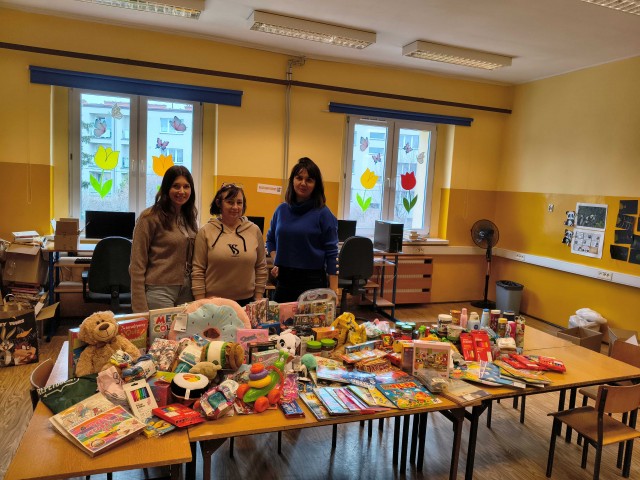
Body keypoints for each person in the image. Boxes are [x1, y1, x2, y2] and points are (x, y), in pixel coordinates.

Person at [266, 157, 339, 303]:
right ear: (292, 180)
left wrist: (334, 290)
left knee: (311, 319)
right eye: (299, 178)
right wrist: (277, 260)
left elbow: (332, 254)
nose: (303, 183)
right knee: (281, 318)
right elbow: (270, 240)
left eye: (309, 180)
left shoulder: (323, 213)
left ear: (316, 185)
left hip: (312, 282)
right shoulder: (281, 210)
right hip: (284, 281)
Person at [129, 165, 198, 312]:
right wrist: (140, 307)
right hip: (159, 290)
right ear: (167, 188)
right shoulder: (149, 217)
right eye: (176, 186)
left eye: (186, 186)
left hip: (187, 290)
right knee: (161, 329)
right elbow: (137, 265)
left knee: (184, 328)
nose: (181, 191)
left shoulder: (189, 218)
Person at [191, 184, 267, 306]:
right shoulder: (205, 232)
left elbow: (261, 267)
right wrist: (201, 302)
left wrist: (258, 298)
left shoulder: (254, 230)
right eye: (230, 202)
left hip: (247, 301)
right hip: (213, 302)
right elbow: (198, 270)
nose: (235, 207)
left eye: (239, 202)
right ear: (219, 203)